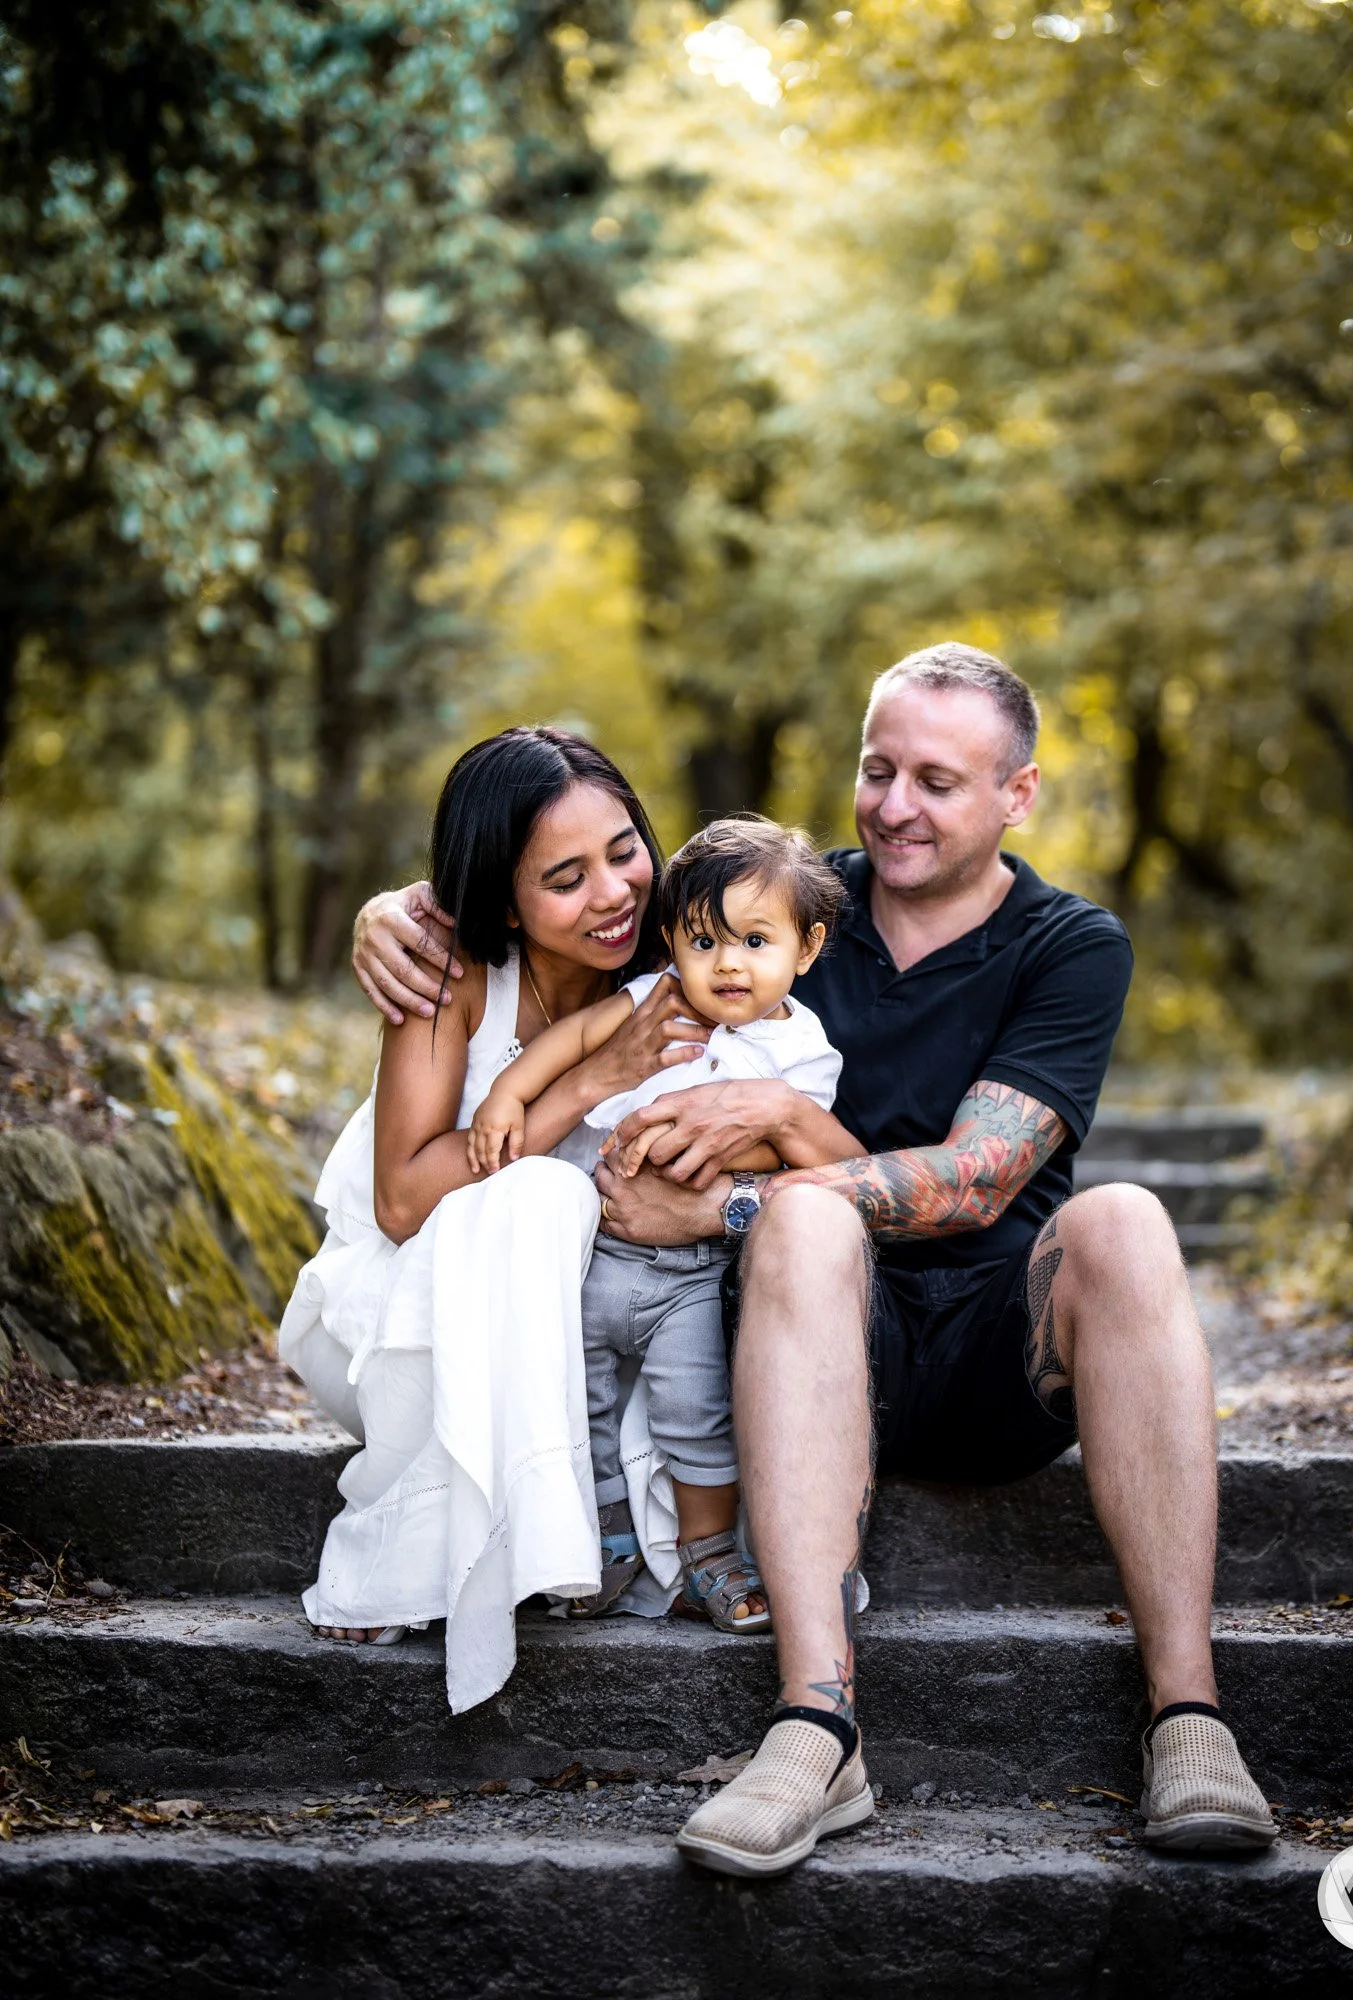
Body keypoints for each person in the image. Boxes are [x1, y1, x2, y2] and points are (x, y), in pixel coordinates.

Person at [352, 642, 1277, 1873]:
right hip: (812, 1346)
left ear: (1018, 794)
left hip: (1006, 1348)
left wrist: (769, 1146)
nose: (896, 803)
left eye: (939, 780)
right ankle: (816, 1721)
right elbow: (585, 895)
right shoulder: (776, 907)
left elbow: (981, 1176)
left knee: (1126, 1220)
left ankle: (1190, 1712)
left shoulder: (1070, 943)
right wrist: (409, 906)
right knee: (803, 1219)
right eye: (877, 767)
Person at [281, 726, 718, 1715]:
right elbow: (402, 1197)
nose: (612, 892)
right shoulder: (450, 972)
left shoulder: (683, 960)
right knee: (543, 1193)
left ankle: (587, 1544)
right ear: (502, 898)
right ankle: (399, 1553)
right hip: (410, 1310)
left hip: (598, 1323)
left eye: (622, 850)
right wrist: (592, 1079)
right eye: (564, 877)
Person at [468, 817, 845, 1634]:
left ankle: (710, 1553)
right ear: (670, 939)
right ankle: (600, 1546)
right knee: (581, 1409)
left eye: (755, 939)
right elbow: (569, 1038)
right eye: (703, 941)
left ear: (806, 949)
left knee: (696, 1413)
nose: (729, 963)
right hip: (589, 1258)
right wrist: (505, 1095)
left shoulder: (804, 1053)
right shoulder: (652, 1001)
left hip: (690, 1278)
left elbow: (813, 1162)